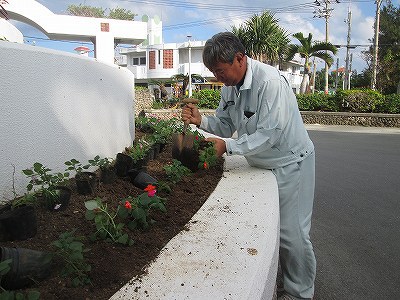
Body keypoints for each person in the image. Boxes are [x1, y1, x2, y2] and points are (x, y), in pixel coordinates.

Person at [181, 32, 316, 300]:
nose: (218, 78)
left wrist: (227, 147)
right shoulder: (231, 86)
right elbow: (226, 124)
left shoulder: (270, 82)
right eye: (213, 72)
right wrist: (201, 121)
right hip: (264, 163)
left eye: (220, 71)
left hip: (291, 163)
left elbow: (270, 134)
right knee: (280, 232)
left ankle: (300, 293)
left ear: (240, 59)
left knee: (292, 234)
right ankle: (289, 284)